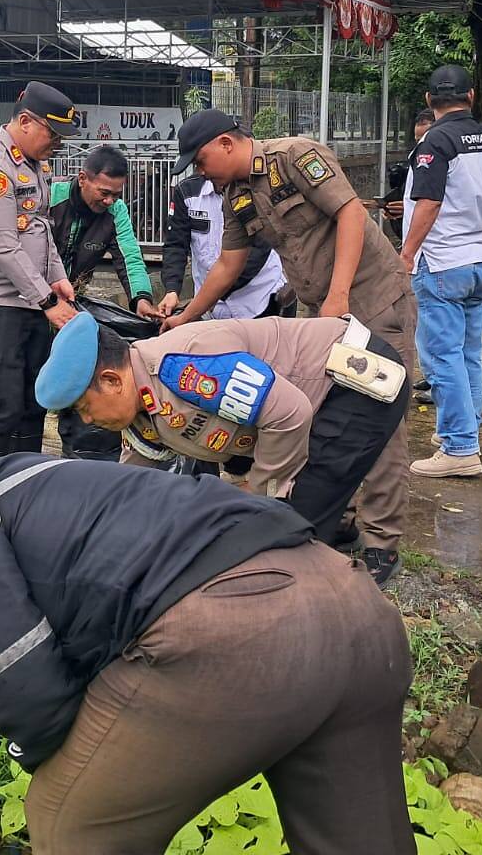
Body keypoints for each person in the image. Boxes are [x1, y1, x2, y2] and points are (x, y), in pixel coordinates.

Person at [0, 427, 416, 855]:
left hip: (234, 629)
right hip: (352, 606)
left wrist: (64, 755)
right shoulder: (7, 489)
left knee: (69, 818)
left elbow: (17, 678)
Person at [162, 110, 416, 585]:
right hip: (320, 310)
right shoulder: (237, 197)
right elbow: (227, 265)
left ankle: (381, 540)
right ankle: (336, 511)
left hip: (372, 299)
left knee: (380, 410)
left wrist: (339, 296)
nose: (200, 173)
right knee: (317, 411)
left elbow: (351, 214)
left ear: (224, 142)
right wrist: (184, 319)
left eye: (200, 161)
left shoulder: (295, 156)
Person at [35, 310, 408, 548]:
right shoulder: (140, 397)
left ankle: (359, 563)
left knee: (276, 530)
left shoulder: (184, 366)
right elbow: (138, 468)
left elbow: (289, 414)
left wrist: (261, 497)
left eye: (85, 407)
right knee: (297, 505)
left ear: (112, 380)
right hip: (308, 404)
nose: (86, 420)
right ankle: (332, 531)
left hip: (350, 380)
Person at [399, 65, 482, 480]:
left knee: (441, 356)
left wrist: (407, 254)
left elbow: (428, 204)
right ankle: (467, 428)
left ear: (428, 100)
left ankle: (459, 446)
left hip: (443, 264)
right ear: (470, 96)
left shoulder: (434, 142)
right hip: (480, 263)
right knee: (468, 352)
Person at [0, 81, 81, 457]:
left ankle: (23, 472)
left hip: (26, 299)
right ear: (25, 121)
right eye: (53, 134)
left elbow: (41, 227)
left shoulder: (34, 165)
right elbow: (4, 246)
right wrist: (47, 302)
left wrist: (57, 277)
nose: (58, 143)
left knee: (32, 398)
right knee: (3, 399)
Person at [46, 144, 158, 458]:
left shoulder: (115, 212)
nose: (109, 201)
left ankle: (85, 460)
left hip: (71, 306)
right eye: (104, 192)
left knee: (81, 383)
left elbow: (130, 257)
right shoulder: (50, 198)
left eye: (116, 195)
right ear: (83, 178)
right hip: (32, 302)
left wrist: (141, 298)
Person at [160, 174, 292, 321]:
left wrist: (211, 294)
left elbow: (258, 249)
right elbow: (175, 245)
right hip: (210, 310)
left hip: (260, 300)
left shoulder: (255, 190)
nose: (202, 170)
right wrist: (172, 289)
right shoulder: (186, 192)